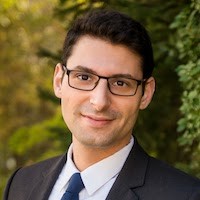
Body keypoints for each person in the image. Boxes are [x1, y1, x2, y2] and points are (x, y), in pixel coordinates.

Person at [4, 9, 200, 200]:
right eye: (84, 77)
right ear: (58, 81)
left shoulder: (186, 194)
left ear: (145, 94)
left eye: (120, 83)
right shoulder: (20, 184)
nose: (99, 102)